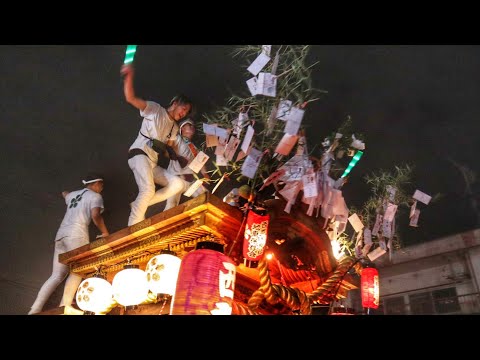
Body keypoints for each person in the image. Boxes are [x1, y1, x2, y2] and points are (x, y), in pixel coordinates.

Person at [121, 63, 193, 226]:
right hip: (139, 154)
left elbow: (168, 150)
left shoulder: (174, 127)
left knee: (178, 184)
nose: (184, 113)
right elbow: (130, 98)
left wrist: (180, 159)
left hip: (151, 162)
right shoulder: (155, 109)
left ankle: (139, 204)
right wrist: (129, 76)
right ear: (175, 102)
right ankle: (134, 226)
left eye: (187, 113)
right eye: (184, 108)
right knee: (147, 189)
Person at [28, 173, 109, 314]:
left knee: (56, 275)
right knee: (79, 269)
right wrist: (105, 232)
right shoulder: (95, 196)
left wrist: (67, 194)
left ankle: (34, 309)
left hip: (61, 235)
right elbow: (96, 216)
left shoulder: (73, 195)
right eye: (101, 185)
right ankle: (64, 305)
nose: (101, 188)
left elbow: (64, 193)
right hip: (76, 235)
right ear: (96, 183)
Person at [147, 118, 210, 211]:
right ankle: (142, 204)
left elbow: (200, 162)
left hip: (190, 180)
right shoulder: (177, 139)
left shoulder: (194, 148)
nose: (192, 127)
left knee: (205, 195)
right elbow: (166, 144)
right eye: (189, 125)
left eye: (193, 126)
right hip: (176, 177)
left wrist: (205, 174)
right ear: (182, 128)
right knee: (172, 205)